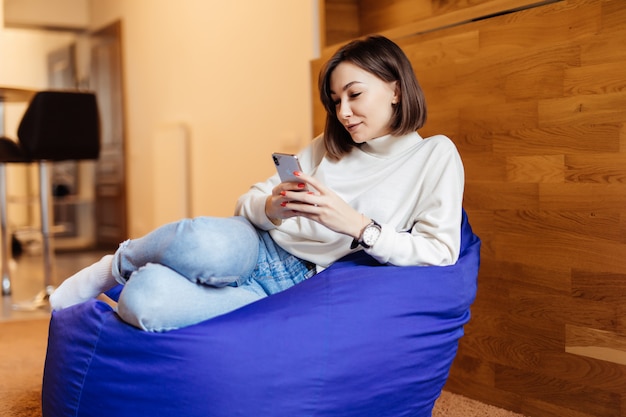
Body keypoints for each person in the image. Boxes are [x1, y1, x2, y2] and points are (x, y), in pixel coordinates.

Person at [50, 35, 465, 332]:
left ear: (395, 88)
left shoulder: (434, 155)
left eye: (354, 95)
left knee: (143, 304)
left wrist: (358, 226)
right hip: (256, 244)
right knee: (198, 243)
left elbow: (441, 252)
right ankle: (114, 266)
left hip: (297, 286)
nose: (343, 112)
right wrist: (271, 208)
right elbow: (247, 200)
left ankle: (150, 277)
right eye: (335, 100)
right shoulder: (328, 146)